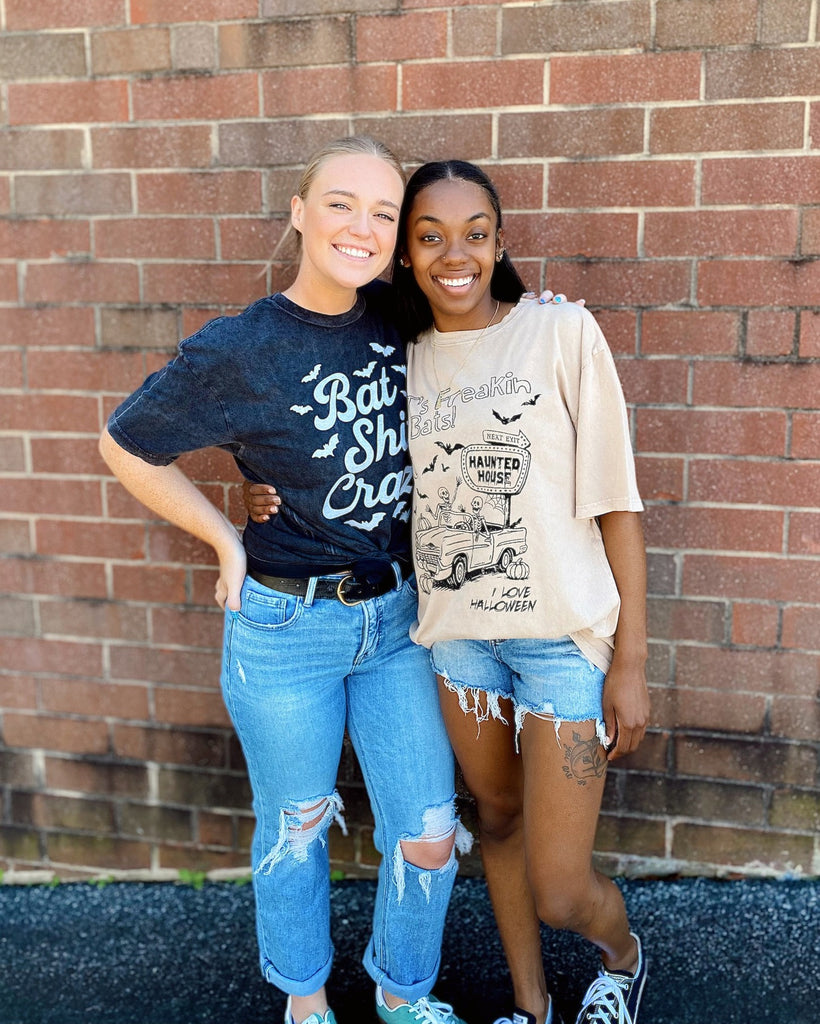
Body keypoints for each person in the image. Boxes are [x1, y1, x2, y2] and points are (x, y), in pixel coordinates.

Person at [251, 161, 649, 1024]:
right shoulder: (400, 354)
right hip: (458, 642)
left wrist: (631, 663)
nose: (453, 254)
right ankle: (532, 1006)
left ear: (501, 243)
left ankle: (622, 957)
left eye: (475, 234)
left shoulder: (561, 331)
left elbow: (617, 504)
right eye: (429, 237)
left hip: (561, 643)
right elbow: (332, 444)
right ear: (405, 253)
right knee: (496, 821)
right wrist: (263, 493)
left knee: (560, 888)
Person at [99, 136, 476, 1024]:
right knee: (297, 827)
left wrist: (551, 315)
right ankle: (305, 999)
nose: (362, 228)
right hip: (285, 630)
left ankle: (402, 994)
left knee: (428, 830)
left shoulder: (403, 316)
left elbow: (488, 314)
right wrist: (226, 540)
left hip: (397, 622)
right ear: (299, 212)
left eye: (383, 213)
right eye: (341, 204)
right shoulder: (242, 347)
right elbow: (125, 444)